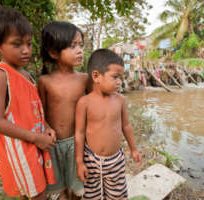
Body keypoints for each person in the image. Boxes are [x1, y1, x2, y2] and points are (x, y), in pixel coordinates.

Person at [0, 7, 56, 200]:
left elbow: (33, 110)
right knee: (38, 195)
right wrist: (34, 137)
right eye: (17, 44)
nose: (26, 50)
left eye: (29, 43)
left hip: (34, 146)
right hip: (22, 152)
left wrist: (46, 127)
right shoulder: (0, 75)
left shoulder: (24, 74)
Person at [75, 49, 142, 200]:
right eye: (115, 77)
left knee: (117, 195)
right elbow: (79, 133)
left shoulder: (120, 100)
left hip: (115, 160)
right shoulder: (84, 103)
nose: (120, 81)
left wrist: (134, 149)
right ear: (96, 76)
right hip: (91, 159)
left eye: (121, 77)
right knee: (91, 196)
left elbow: (126, 126)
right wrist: (79, 162)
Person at [38, 21, 89, 200]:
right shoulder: (45, 81)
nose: (80, 50)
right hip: (52, 145)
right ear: (53, 52)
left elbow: (94, 107)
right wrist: (45, 127)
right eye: (73, 46)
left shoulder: (84, 79)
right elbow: (40, 113)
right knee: (57, 188)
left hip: (77, 143)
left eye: (81, 45)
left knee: (77, 187)